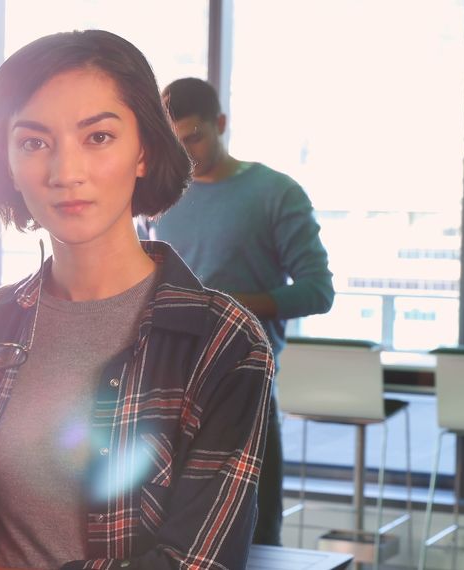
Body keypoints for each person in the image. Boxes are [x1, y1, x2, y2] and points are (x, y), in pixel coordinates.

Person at [0, 30, 275, 570]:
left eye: (97, 138)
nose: (65, 173)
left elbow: (196, 564)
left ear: (144, 151)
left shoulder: (221, 341)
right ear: (7, 163)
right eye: (34, 142)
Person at [145, 77, 335, 546]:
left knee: (254, 527)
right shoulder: (160, 199)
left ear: (220, 125)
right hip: (164, 380)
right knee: (164, 528)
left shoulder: (276, 193)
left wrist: (223, 305)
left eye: (195, 137)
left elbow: (318, 291)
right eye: (176, 141)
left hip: (243, 377)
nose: (186, 153)